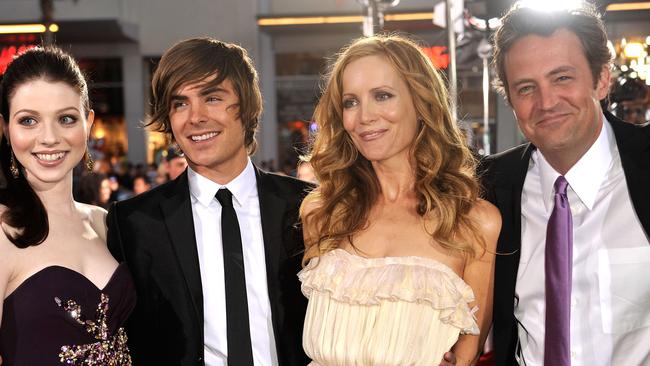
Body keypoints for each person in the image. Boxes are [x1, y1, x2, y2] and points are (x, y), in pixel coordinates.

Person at [106, 37, 312, 366]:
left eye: (212, 97)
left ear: (246, 106)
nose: (195, 117)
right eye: (180, 103)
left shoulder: (306, 206)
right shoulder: (133, 222)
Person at [299, 34, 501, 366]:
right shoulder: (322, 212)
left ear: (422, 105)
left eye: (382, 96)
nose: (364, 116)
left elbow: (466, 355)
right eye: (350, 102)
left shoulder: (473, 222)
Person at [482, 2, 650, 365]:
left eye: (562, 78)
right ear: (510, 99)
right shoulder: (488, 189)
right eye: (526, 87)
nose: (546, 102)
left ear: (602, 79)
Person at [0, 47, 134, 365]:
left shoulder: (104, 222)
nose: (49, 137)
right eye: (29, 120)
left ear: (88, 123)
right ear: (5, 129)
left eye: (66, 119)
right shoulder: (2, 230)